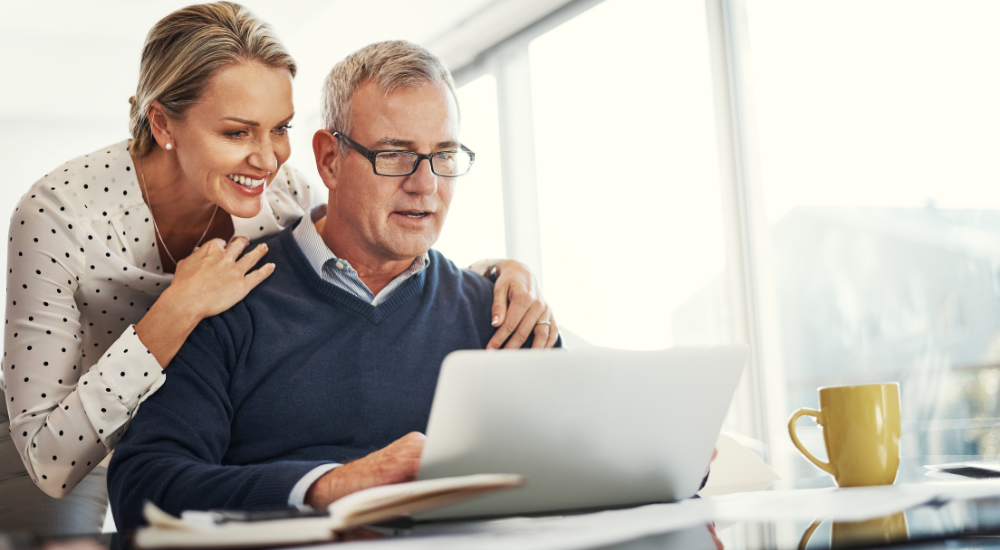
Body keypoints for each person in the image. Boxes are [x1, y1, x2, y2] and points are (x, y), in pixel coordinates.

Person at [1, 3, 558, 536]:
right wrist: (179, 308)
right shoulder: (60, 216)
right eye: (237, 132)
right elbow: (60, 463)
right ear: (163, 124)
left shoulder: (279, 191)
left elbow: (364, 235)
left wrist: (496, 275)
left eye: (280, 128)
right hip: (56, 437)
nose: (267, 158)